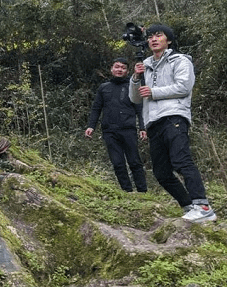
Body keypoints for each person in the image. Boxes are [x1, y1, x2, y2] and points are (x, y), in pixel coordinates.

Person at [130, 24, 217, 223]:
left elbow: (184, 87)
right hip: (153, 121)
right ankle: (189, 207)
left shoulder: (180, 60)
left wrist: (154, 92)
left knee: (181, 160)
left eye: (158, 35)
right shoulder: (145, 64)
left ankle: (202, 206)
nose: (153, 39)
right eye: (150, 36)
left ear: (168, 40)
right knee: (161, 172)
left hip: (174, 116)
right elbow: (135, 98)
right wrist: (136, 78)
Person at [85, 58, 148, 192]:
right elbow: (97, 108)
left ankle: (142, 191)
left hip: (128, 129)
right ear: (112, 69)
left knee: (134, 162)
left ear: (127, 71)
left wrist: (142, 127)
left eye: (123, 68)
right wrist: (91, 126)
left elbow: (139, 108)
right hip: (109, 131)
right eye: (117, 67)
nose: (119, 70)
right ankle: (127, 191)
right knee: (118, 163)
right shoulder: (104, 87)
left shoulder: (132, 86)